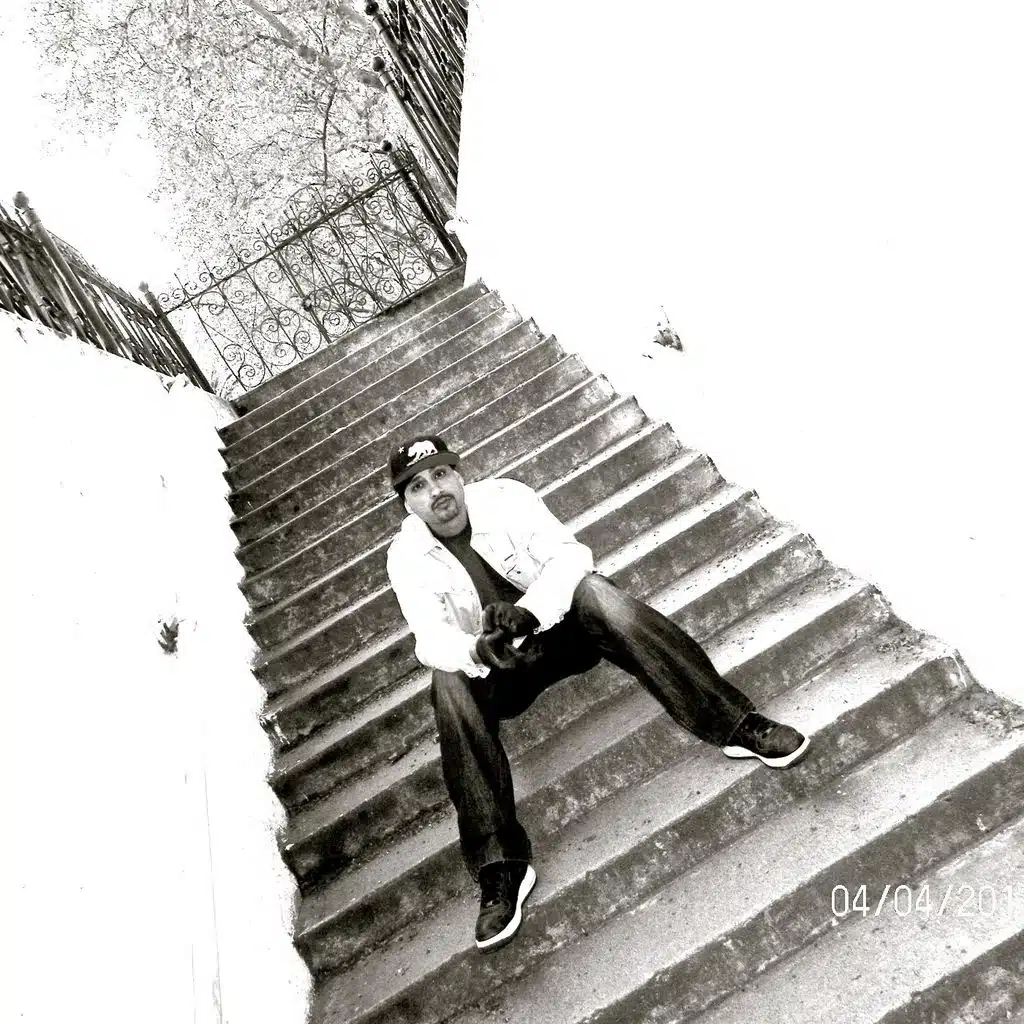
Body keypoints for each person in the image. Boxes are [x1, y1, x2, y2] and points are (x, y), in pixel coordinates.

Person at [385, 434, 809, 953]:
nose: (436, 491)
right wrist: (476, 649)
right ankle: (501, 863)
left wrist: (530, 612)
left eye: (441, 474)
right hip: (501, 671)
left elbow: (570, 558)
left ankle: (734, 723)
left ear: (459, 474)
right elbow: (430, 639)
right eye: (418, 486)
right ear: (407, 504)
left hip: (564, 634)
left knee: (596, 591)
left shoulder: (505, 498)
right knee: (446, 681)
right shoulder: (406, 556)